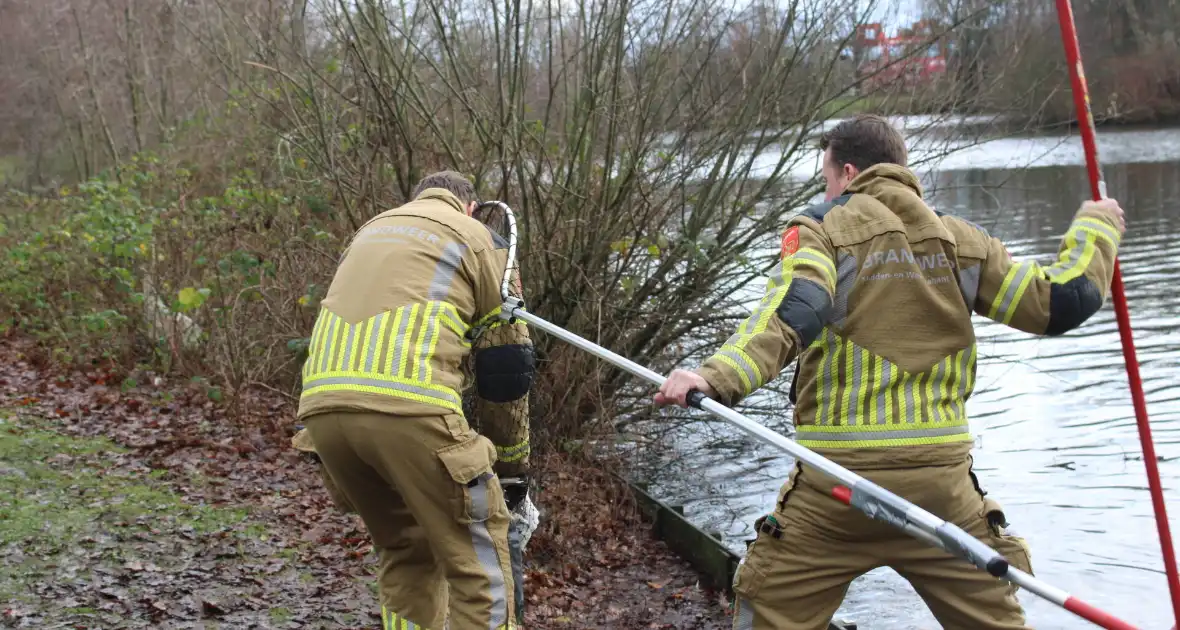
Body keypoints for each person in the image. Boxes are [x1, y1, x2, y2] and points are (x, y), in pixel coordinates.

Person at [655, 114, 1125, 630]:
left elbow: (797, 309)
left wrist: (714, 376)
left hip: (836, 491)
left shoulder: (821, 230)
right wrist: (1096, 228)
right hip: (942, 489)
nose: (827, 189)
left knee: (769, 612)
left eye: (827, 177)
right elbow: (1059, 302)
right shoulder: (962, 240)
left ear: (849, 172)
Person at [297, 170, 536, 630]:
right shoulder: (480, 237)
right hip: (412, 408)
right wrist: (511, 467)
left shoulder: (371, 231)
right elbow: (507, 367)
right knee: (479, 568)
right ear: (469, 207)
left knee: (406, 552)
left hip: (322, 416)